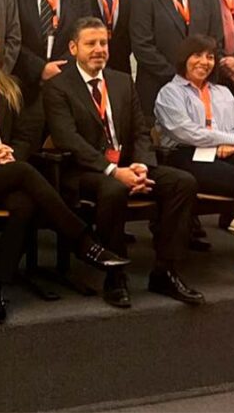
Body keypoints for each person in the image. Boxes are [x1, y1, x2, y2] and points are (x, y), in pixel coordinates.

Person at [0, 20, 129, 323]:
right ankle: (83, 241)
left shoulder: (10, 87)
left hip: (9, 171)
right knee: (25, 173)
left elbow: (26, 135)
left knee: (23, 206)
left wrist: (10, 154)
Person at [44, 17, 204, 307]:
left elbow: (141, 131)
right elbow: (68, 139)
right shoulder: (58, 86)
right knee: (114, 189)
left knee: (183, 182)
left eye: (103, 43)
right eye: (90, 43)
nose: (99, 49)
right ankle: (115, 276)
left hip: (129, 165)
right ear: (73, 48)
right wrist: (113, 171)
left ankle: (165, 271)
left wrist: (142, 164)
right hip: (85, 171)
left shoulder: (121, 81)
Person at [154, 35, 234, 294]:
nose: (204, 62)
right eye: (197, 55)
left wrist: (232, 143)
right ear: (184, 59)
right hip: (186, 156)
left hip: (225, 151)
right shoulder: (169, 93)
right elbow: (186, 132)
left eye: (210, 57)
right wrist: (229, 139)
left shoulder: (222, 92)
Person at [130, 0, 223, 118]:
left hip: (201, 91)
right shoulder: (144, 1)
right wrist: (180, 77)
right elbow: (143, 48)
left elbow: (215, 40)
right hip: (158, 90)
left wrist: (198, 74)